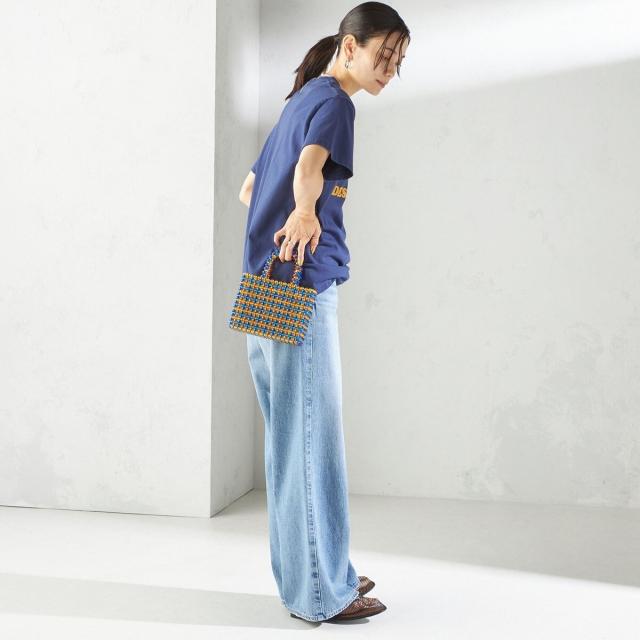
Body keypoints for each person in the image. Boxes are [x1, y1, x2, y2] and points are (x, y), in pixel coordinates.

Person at [237, 2, 410, 623]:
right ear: (350, 46)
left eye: (398, 61)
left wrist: (287, 216)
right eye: (382, 55)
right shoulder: (335, 104)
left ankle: (316, 572)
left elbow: (250, 188)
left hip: (264, 286)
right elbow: (308, 168)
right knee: (311, 444)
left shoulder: (302, 98)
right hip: (303, 289)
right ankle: (320, 591)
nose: (389, 69)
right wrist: (307, 211)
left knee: (290, 444)